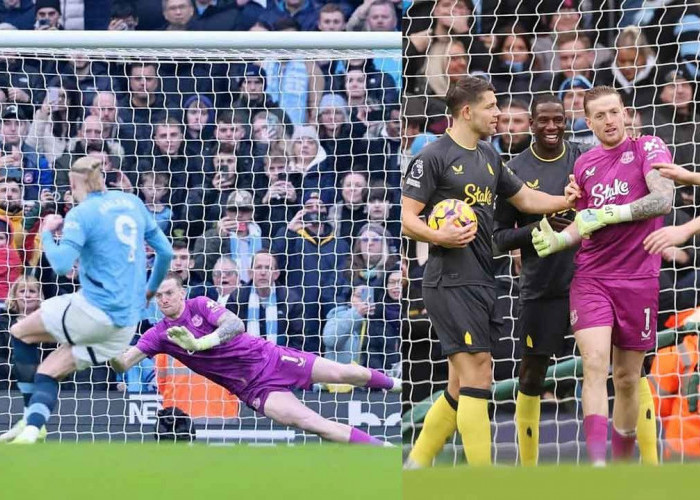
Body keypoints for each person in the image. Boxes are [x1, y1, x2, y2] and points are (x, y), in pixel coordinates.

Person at [402, 76, 577, 468]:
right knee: (480, 373)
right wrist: (439, 235)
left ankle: (416, 464)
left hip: (483, 277)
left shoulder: (488, 156)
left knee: (458, 386)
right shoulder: (433, 157)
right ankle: (483, 480)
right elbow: (406, 218)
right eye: (491, 107)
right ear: (468, 112)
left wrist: (562, 200)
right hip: (449, 281)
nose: (499, 114)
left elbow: (526, 198)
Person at [493, 94, 658, 466]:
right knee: (533, 372)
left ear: (570, 121)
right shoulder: (512, 170)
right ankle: (529, 468)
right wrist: (537, 231)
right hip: (545, 284)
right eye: (543, 121)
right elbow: (498, 238)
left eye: (558, 120)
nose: (551, 127)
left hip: (598, 276)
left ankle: (650, 465)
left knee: (629, 371)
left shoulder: (584, 159)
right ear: (529, 124)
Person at [530, 86, 675, 465]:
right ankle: (596, 465)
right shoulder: (584, 165)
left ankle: (622, 469)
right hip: (593, 277)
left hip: (639, 279)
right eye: (600, 115)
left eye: (614, 112)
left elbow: (663, 199)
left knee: (627, 379)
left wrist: (617, 212)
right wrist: (559, 240)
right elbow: (585, 222)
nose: (609, 120)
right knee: (594, 363)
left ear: (625, 113)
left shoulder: (649, 147)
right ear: (588, 121)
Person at [111, 273, 400, 445]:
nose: (164, 299)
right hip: (253, 388)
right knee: (313, 424)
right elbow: (123, 363)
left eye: (169, 292)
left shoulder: (199, 304)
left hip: (271, 358)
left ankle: (397, 384)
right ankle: (385, 450)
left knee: (344, 373)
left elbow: (235, 324)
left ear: (182, 293)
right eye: (158, 295)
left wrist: (201, 343)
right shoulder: (159, 334)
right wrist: (106, 348)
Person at [3, 156, 174, 444]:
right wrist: (149, 290)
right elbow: (166, 253)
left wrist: (47, 231)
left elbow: (59, 265)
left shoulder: (82, 214)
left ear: (73, 183)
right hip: (124, 326)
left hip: (94, 309)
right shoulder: (131, 202)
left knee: (20, 333)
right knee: (48, 370)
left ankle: (28, 416)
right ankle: (33, 426)